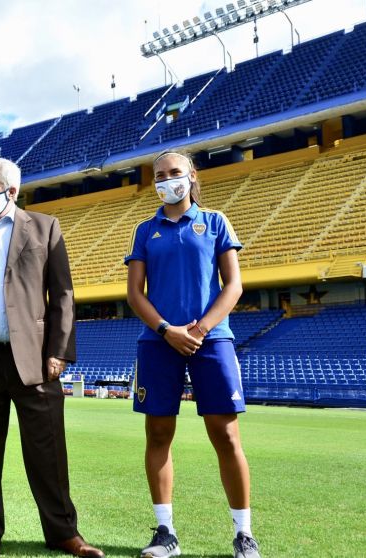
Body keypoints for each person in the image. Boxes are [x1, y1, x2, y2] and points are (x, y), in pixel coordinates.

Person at [0, 156, 104, 558]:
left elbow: (62, 294)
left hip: (35, 361)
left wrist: (59, 352)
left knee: (49, 451)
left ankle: (64, 532)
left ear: (11, 191)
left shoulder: (44, 228)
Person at [124, 151, 260, 558]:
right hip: (158, 342)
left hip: (212, 340)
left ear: (191, 176)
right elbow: (134, 294)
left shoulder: (215, 221)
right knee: (159, 434)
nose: (167, 180)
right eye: (160, 175)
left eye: (174, 173)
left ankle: (243, 534)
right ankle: (165, 532)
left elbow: (233, 285)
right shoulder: (146, 230)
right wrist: (167, 330)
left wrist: (198, 330)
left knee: (226, 435)